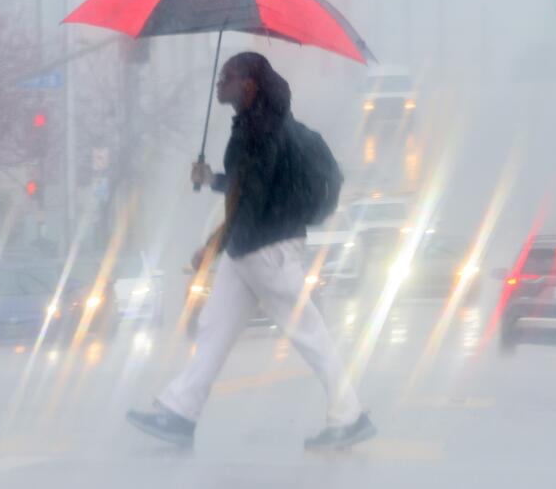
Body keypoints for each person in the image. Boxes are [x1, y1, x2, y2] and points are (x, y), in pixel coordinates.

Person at [126, 51, 375, 450]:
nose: (219, 83)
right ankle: (179, 412)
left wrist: (212, 244)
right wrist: (212, 180)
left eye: (227, 77)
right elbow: (251, 187)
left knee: (309, 333)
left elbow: (252, 201)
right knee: (213, 329)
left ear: (249, 84)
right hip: (250, 250)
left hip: (267, 249)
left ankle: (350, 415)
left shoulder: (258, 130)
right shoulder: (260, 126)